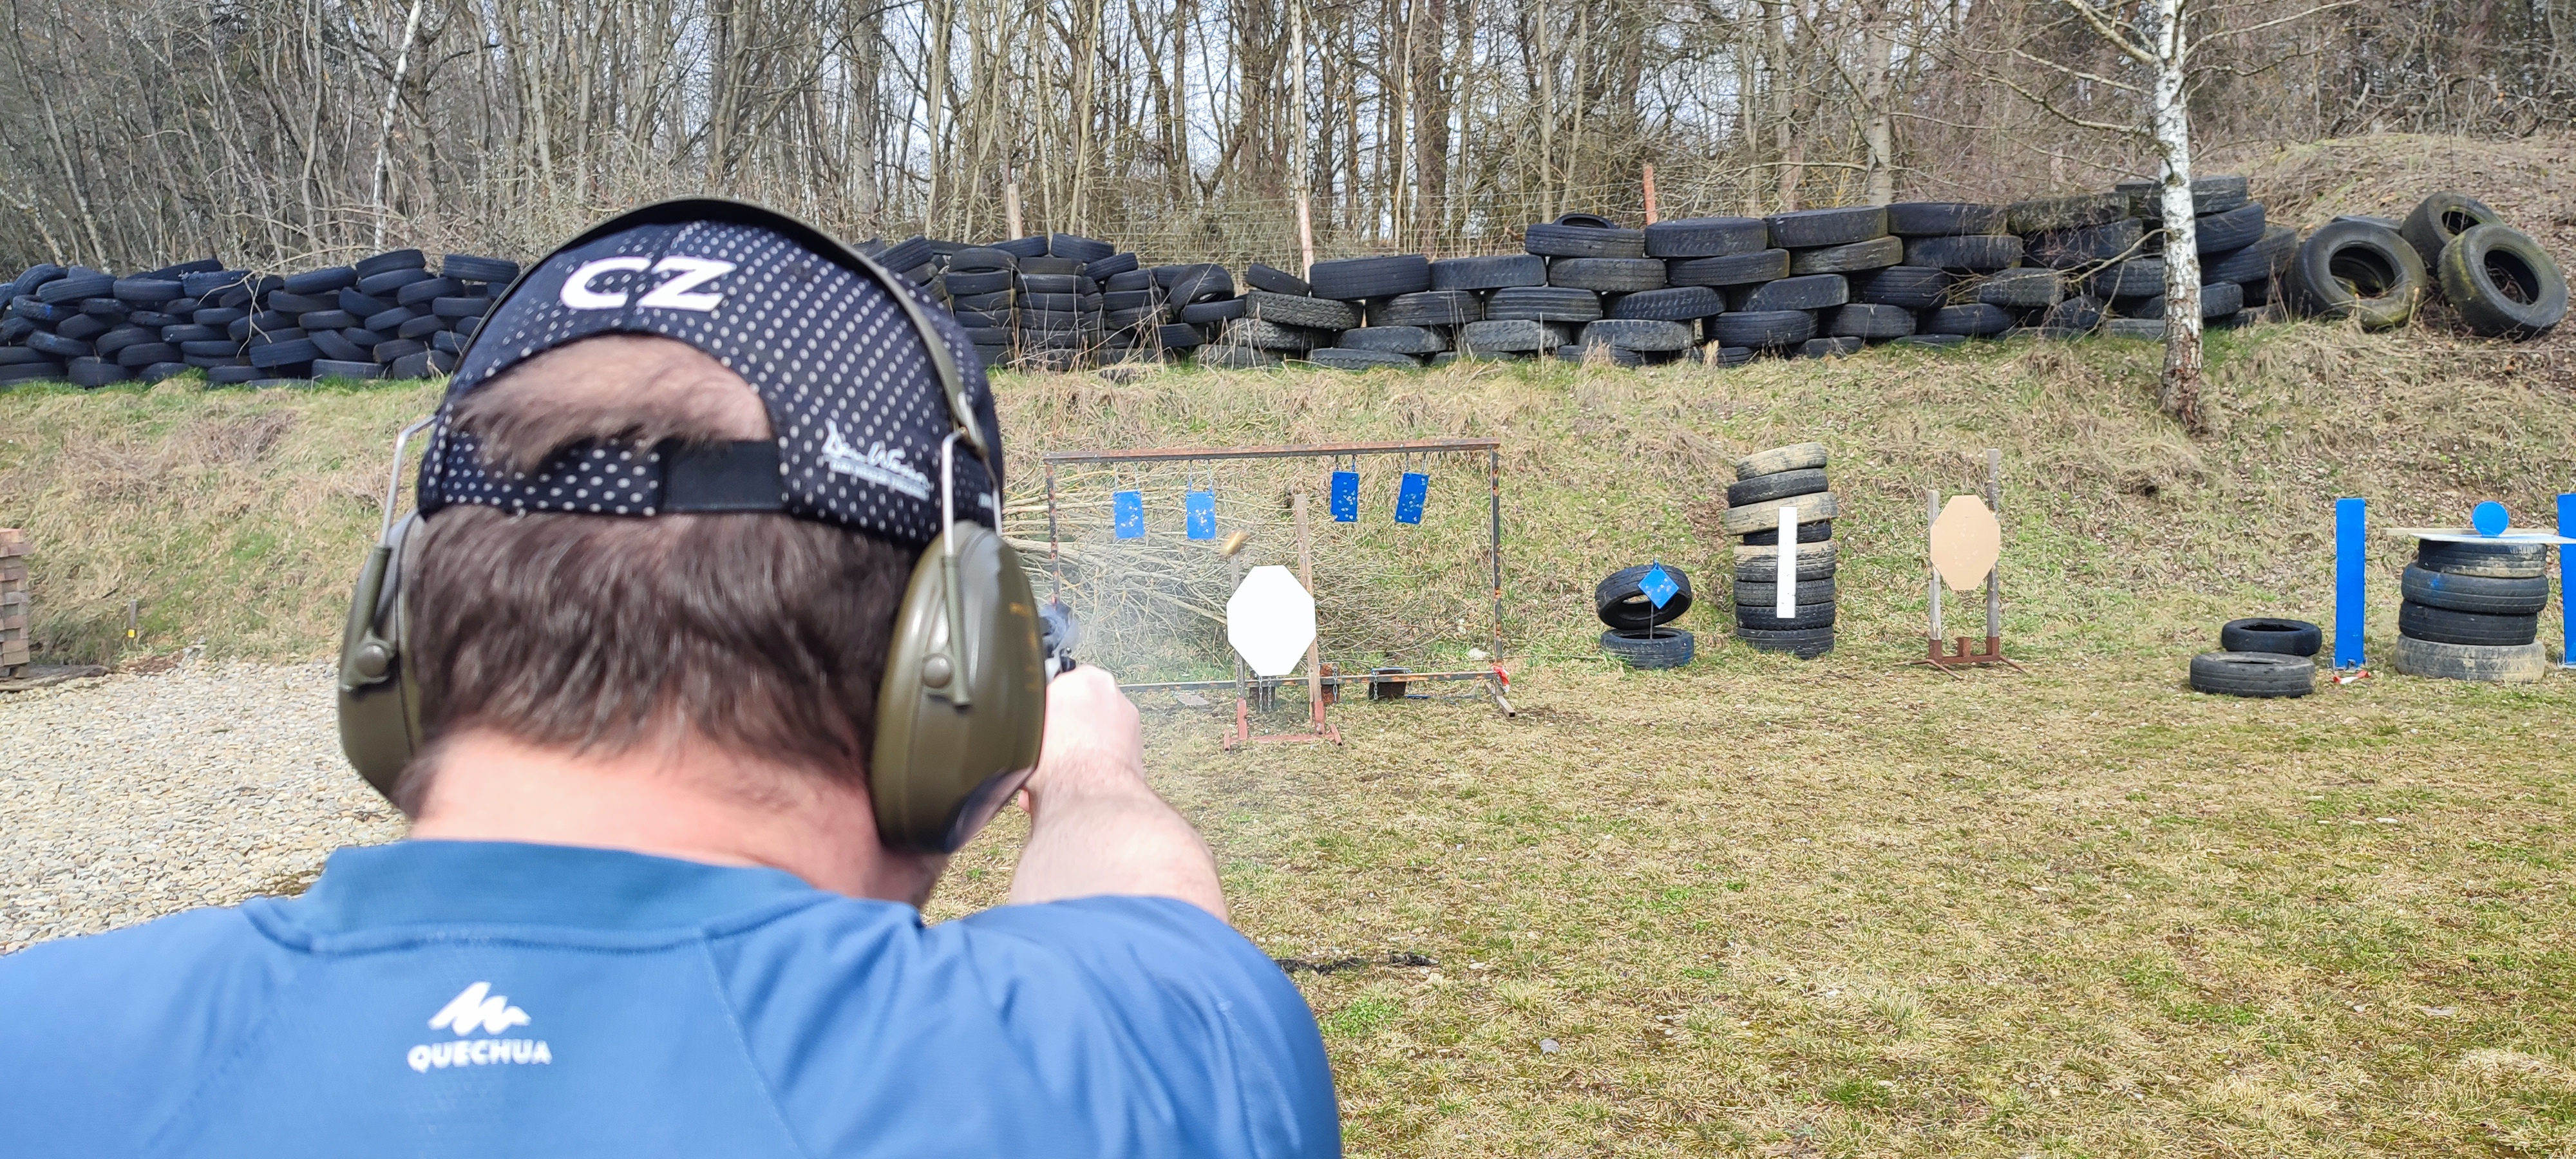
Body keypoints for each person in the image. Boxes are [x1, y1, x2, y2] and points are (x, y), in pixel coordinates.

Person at [0, 203, 1340, 1156]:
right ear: (963, 678)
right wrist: (1090, 773)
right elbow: (1153, 932)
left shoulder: (38, 1048)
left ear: (391, 637)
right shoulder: (1128, 1078)